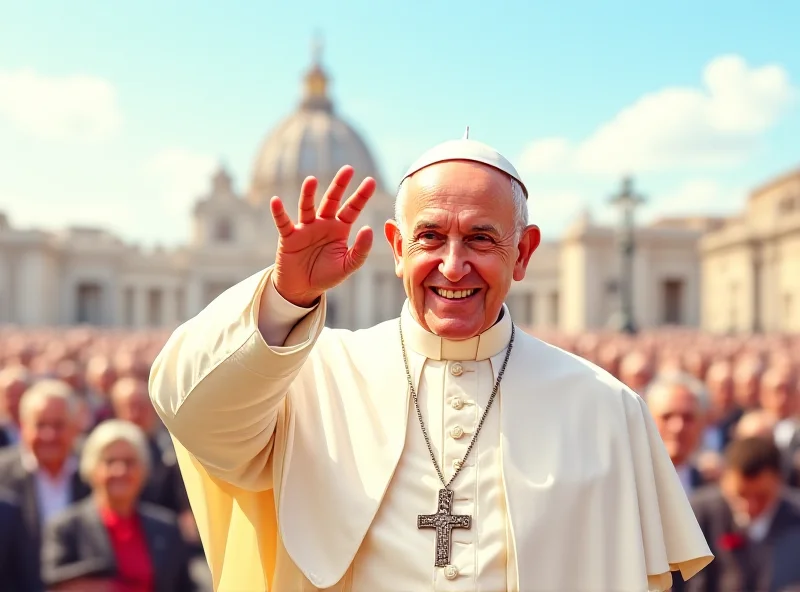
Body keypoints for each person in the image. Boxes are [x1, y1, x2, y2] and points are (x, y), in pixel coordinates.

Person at [150, 134, 713, 591]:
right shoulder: (304, 378)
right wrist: (284, 297)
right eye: (430, 236)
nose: (452, 264)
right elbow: (192, 410)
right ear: (396, 248)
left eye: (481, 238)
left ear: (523, 253)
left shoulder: (605, 408)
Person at [41, 419, 194, 592]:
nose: (120, 471)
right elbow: (53, 583)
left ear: (143, 469)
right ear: (91, 468)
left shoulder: (167, 528)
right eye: (110, 462)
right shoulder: (66, 528)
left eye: (129, 462)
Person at [684, 437, 800, 592]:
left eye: (761, 497)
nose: (749, 506)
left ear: (780, 482)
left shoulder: (796, 515)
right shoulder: (701, 514)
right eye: (740, 495)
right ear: (723, 481)